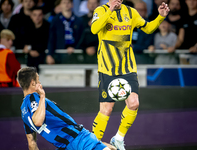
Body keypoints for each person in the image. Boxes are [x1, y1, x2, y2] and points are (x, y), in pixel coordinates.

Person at [91, 1, 170, 149]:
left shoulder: (131, 12)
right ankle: (92, 144)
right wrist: (110, 10)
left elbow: (148, 28)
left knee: (134, 103)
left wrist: (160, 17)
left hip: (127, 68)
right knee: (106, 109)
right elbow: (94, 29)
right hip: (107, 69)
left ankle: (118, 139)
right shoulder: (100, 10)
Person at [18, 67, 116, 150]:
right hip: (78, 138)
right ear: (33, 83)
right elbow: (38, 121)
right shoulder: (34, 98)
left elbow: (31, 144)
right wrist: (42, 95)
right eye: (38, 79)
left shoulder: (23, 111)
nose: (40, 82)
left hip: (65, 145)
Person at [46, 0, 84, 64]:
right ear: (60, 5)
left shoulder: (79, 21)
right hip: (59, 54)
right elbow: (51, 38)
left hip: (76, 54)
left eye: (68, 2)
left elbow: (82, 38)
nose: (66, 4)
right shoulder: (55, 20)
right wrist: (49, 54)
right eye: (64, 3)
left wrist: (74, 48)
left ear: (72, 4)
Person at [23, 6, 49, 73]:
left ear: (43, 16)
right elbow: (24, 41)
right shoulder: (27, 27)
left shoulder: (48, 27)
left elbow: (46, 42)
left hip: (43, 56)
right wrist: (30, 50)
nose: (37, 17)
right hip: (30, 58)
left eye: (39, 15)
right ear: (31, 16)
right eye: (35, 15)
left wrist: (31, 48)